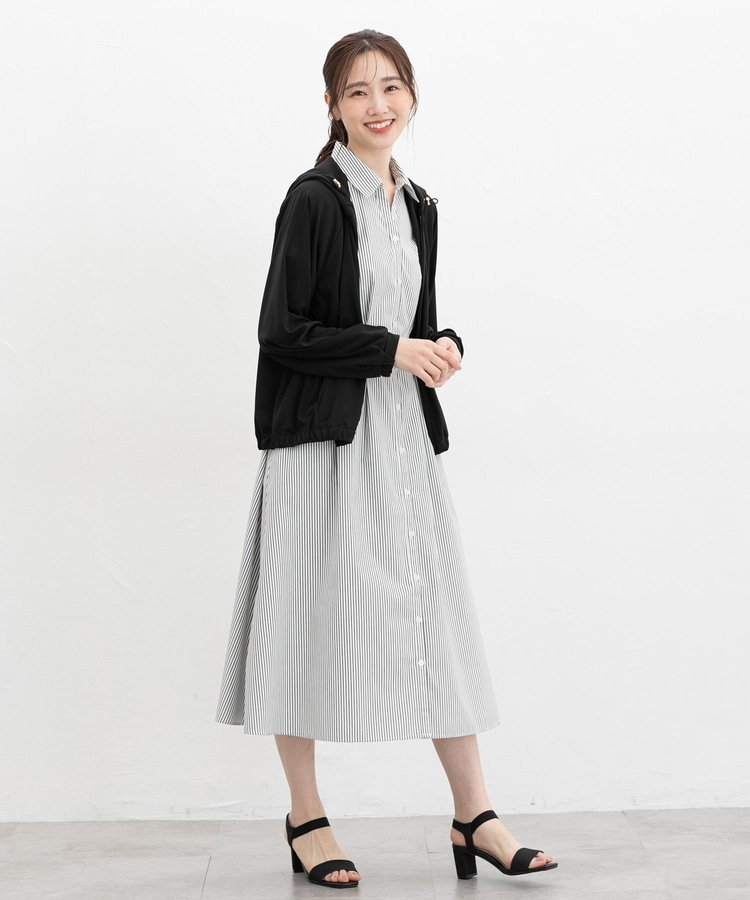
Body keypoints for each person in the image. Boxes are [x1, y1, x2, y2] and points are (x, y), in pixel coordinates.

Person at [216, 28, 557, 889]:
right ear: (331, 105)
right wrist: (390, 350)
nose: (378, 105)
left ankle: (474, 814)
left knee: (439, 619)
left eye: (392, 87)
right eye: (359, 90)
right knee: (304, 626)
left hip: (402, 444)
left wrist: (439, 345)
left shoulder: (419, 204)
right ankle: (306, 819)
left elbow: (413, 318)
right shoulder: (315, 199)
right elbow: (282, 331)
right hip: (322, 446)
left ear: (412, 96)